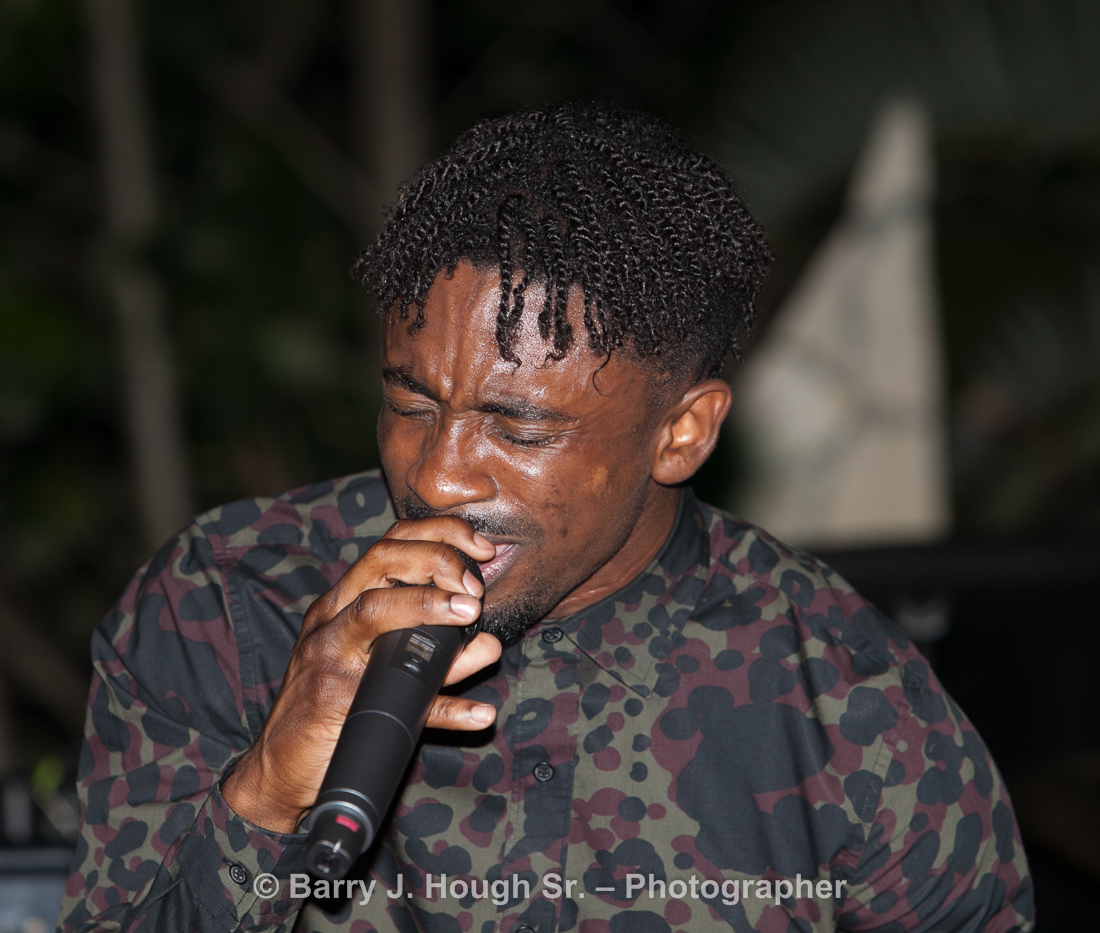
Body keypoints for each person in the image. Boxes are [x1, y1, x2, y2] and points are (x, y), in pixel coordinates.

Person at [58, 103, 1034, 933]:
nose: (438, 476)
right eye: (410, 402)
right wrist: (267, 796)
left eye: (518, 428)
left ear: (682, 433)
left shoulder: (849, 706)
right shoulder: (229, 605)